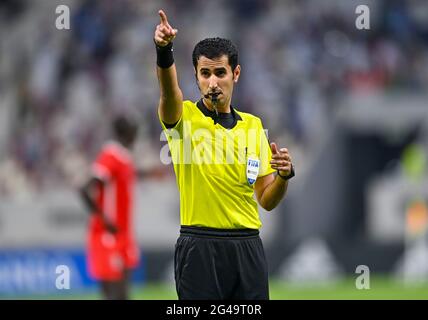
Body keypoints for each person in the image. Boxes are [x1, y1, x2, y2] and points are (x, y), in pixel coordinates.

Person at [154, 9, 295, 300]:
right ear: (196, 76)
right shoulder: (183, 119)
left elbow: (266, 200)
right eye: (205, 74)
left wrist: (282, 177)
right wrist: (164, 50)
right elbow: (169, 92)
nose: (213, 82)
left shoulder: (254, 126)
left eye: (220, 72)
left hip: (247, 247)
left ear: (236, 73)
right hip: (200, 246)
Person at [80, 116, 140, 300]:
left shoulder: (125, 157)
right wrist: (104, 220)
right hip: (108, 235)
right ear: (126, 132)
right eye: (134, 130)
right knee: (114, 293)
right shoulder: (110, 155)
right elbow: (85, 188)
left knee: (123, 294)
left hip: (123, 234)